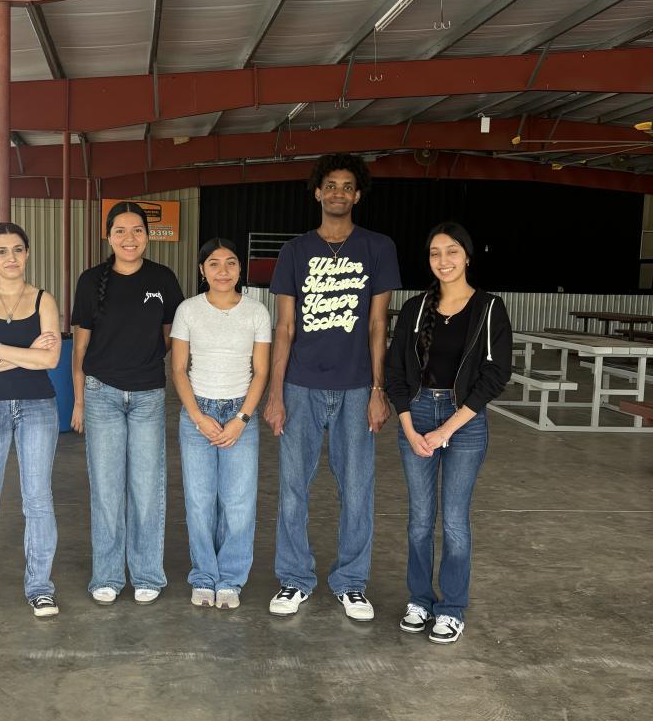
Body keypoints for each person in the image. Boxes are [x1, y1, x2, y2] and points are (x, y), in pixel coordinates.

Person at [264, 154, 401, 619]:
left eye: (347, 186)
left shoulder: (378, 247)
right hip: (301, 385)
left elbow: (378, 324)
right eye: (330, 185)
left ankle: (351, 582)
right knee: (292, 488)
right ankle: (294, 579)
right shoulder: (295, 251)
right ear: (317, 193)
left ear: (357, 195)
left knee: (357, 490)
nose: (338, 192)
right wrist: (276, 393)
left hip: (357, 387)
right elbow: (284, 327)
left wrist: (379, 390)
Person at [385, 222, 512, 643]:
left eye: (452, 251)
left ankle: (452, 607)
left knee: (455, 520)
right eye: (435, 253)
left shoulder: (489, 308)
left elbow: (495, 375)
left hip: (465, 422)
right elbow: (395, 371)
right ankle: (420, 600)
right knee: (420, 520)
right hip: (418, 414)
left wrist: (446, 430)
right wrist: (409, 426)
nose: (444, 260)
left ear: (467, 256)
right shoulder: (415, 308)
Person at [71, 202, 184, 605]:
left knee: (147, 487)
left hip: (148, 395)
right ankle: (106, 575)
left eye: (137, 230)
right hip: (101, 393)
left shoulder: (163, 278)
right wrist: (79, 401)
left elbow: (172, 335)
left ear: (148, 236)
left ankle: (147, 573)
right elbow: (79, 348)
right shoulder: (90, 281)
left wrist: (145, 357)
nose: (129, 238)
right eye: (120, 231)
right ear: (108, 236)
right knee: (106, 489)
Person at [0, 223, 62, 617]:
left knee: (37, 498)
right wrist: (25, 352)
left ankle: (40, 587)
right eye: (1, 251)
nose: (11, 258)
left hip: (38, 406)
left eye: (18, 249)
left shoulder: (43, 300)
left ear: (27, 253)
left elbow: (50, 359)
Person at [171, 239, 271, 609]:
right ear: (202, 270)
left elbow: (261, 371)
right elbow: (178, 369)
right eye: (213, 263)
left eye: (231, 262)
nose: (223, 271)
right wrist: (198, 417)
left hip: (240, 412)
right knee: (199, 501)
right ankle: (203, 577)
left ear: (240, 269)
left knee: (238, 502)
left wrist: (242, 418)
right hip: (197, 411)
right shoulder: (188, 310)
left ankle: (230, 579)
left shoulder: (256, 312)